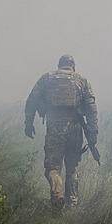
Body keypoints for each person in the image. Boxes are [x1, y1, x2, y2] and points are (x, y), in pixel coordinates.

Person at [24, 54, 99, 213]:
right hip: (76, 128)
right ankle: (71, 206)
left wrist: (28, 123)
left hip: (55, 127)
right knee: (72, 169)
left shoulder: (47, 78)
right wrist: (93, 134)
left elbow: (32, 99)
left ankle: (58, 194)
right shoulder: (82, 80)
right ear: (73, 65)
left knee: (53, 168)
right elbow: (91, 108)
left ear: (59, 65)